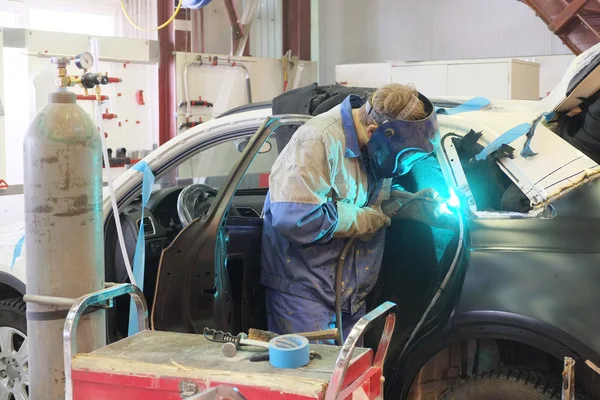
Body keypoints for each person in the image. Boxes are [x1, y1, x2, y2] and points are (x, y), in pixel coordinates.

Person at [260, 83, 441, 342]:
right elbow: (293, 217)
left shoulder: (375, 146)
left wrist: (408, 203)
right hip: (304, 295)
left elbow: (369, 201)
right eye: (402, 157)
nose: (402, 167)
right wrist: (362, 220)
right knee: (313, 378)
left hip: (351, 296)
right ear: (373, 131)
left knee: (350, 379)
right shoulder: (317, 140)